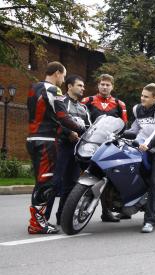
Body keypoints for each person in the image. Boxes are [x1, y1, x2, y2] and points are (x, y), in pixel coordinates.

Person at [26, 61, 86, 234]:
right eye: (64, 76)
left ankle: (36, 221)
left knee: (40, 182)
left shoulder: (33, 87)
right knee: (47, 184)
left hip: (32, 138)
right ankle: (38, 224)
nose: (63, 80)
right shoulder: (54, 90)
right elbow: (63, 116)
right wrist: (83, 129)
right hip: (46, 140)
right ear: (58, 73)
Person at [44, 75, 91, 225]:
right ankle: (43, 219)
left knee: (71, 185)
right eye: (79, 85)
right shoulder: (61, 101)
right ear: (69, 86)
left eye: (83, 86)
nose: (83, 88)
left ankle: (61, 217)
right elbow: (56, 121)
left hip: (77, 149)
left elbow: (89, 128)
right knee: (55, 183)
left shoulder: (84, 107)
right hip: (62, 146)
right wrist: (68, 133)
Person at [81, 73, 128, 222]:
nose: (105, 87)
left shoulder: (120, 104)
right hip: (89, 143)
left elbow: (124, 125)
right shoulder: (88, 101)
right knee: (82, 176)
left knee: (109, 178)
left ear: (112, 87)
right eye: (102, 84)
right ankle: (66, 211)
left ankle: (107, 211)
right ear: (98, 85)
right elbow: (80, 119)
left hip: (110, 145)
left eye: (108, 85)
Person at [128, 83, 155, 233]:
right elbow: (134, 129)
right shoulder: (137, 109)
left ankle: (149, 221)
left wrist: (148, 144)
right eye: (142, 95)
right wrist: (118, 134)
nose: (142, 98)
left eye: (146, 96)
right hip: (141, 147)